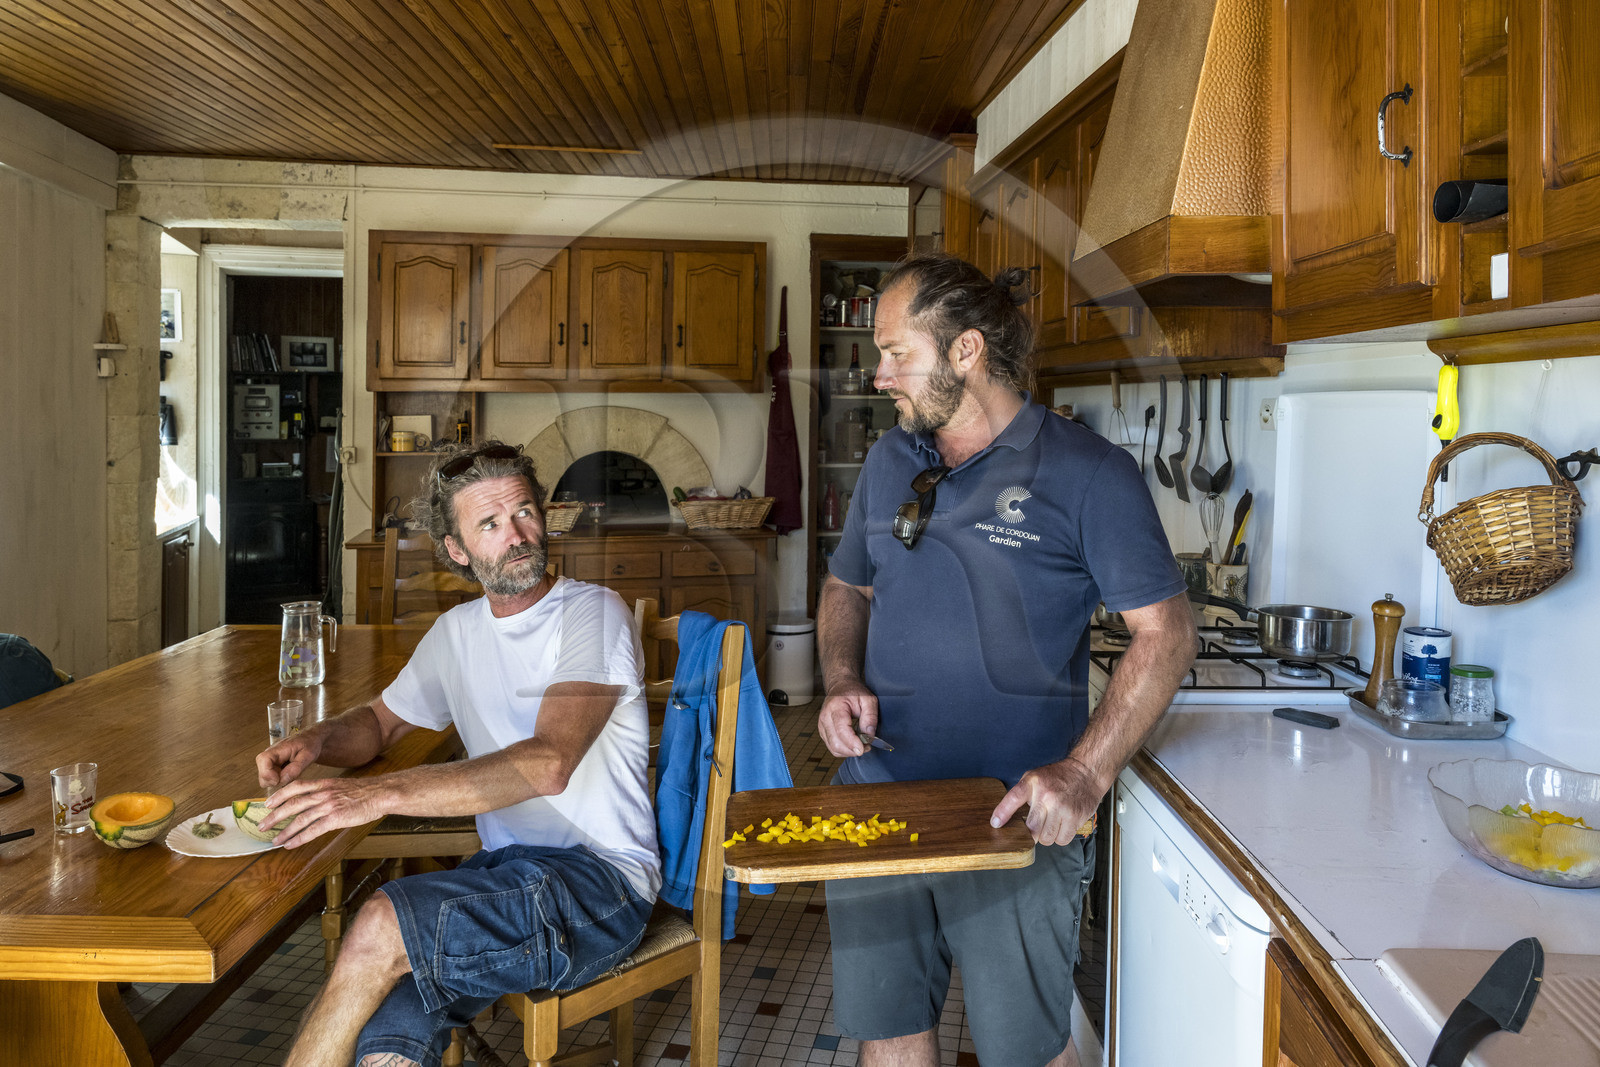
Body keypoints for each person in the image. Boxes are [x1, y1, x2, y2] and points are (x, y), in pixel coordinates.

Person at [818, 254, 1198, 1067]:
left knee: (1024, 1051)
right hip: (879, 800)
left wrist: (1086, 773)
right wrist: (842, 678)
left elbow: (1168, 632)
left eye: (896, 353)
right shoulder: (890, 460)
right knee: (889, 1029)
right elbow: (847, 585)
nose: (879, 376)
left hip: (1013, 820)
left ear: (966, 351)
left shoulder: (1089, 473)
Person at [261, 441, 657, 1067]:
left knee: (380, 925)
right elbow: (380, 724)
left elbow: (550, 762)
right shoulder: (456, 632)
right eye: (490, 524)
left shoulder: (593, 613)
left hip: (602, 886)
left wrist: (375, 796)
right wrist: (318, 740)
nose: (516, 535)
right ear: (458, 550)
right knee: (380, 1009)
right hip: (505, 870)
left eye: (524, 512)